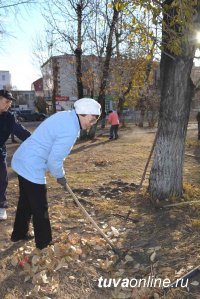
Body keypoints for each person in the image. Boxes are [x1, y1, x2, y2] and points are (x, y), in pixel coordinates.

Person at [11, 98, 101, 249]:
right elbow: (55, 160)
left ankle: (19, 233)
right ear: (82, 114)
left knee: (26, 200)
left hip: (22, 158)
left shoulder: (66, 116)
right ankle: (44, 243)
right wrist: (60, 176)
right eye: (91, 120)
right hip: (31, 164)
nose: (91, 124)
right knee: (40, 207)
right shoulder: (71, 129)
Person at [0, 90, 31, 220]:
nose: (9, 105)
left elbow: (21, 132)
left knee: (2, 177)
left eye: (10, 103)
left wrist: (36, 141)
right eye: (6, 102)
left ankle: (1, 207)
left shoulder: (9, 117)